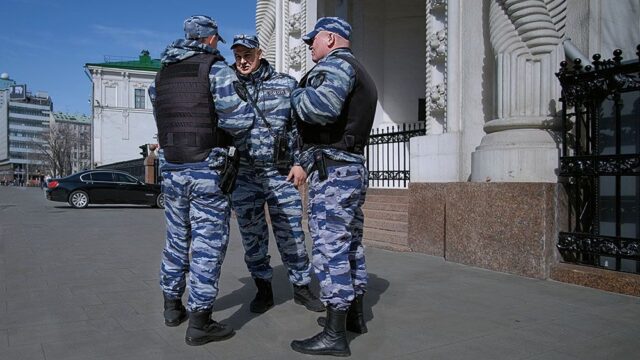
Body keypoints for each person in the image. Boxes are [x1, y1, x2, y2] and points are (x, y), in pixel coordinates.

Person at [148, 15, 244, 346]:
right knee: (207, 244)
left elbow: (161, 115)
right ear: (207, 38)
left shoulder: (161, 75)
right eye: (217, 38)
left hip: (173, 169)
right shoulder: (214, 70)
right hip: (206, 169)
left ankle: (172, 308)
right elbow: (239, 118)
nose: (219, 43)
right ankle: (200, 322)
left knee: (176, 239)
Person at [289, 17, 378, 357]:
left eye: (313, 40)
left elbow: (322, 109)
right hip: (349, 168)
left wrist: (294, 95)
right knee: (351, 244)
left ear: (330, 38)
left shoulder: (336, 66)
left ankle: (334, 335)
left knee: (330, 250)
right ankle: (353, 316)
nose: (310, 45)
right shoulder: (360, 70)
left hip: (335, 173)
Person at [229, 34, 324, 314]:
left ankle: (303, 288)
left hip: (280, 173)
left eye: (248, 55)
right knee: (252, 235)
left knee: (292, 232)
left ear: (259, 53)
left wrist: (300, 164)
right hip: (244, 174)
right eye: (238, 57)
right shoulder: (227, 86)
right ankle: (263, 289)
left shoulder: (285, 84)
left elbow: (299, 129)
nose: (243, 62)